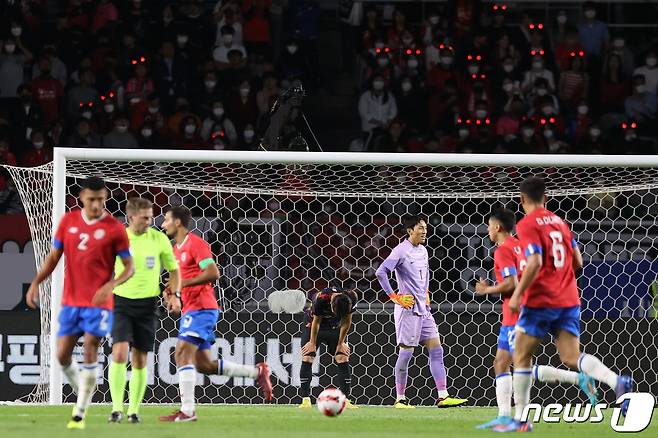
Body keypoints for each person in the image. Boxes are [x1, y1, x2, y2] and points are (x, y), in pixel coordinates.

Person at [494, 177, 633, 432]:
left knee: (522, 357)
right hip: (569, 298)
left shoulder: (527, 224)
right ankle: (617, 382)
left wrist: (517, 295)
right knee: (571, 356)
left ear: (522, 199)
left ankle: (522, 420)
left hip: (540, 300)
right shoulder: (561, 222)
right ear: (545, 198)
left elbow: (534, 262)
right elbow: (578, 262)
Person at [26, 177, 134, 429]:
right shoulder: (69, 221)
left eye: (101, 199)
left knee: (90, 347)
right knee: (61, 355)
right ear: (82, 197)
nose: (97, 204)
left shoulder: (114, 228)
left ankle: (80, 411)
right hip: (71, 302)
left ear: (105, 198)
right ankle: (85, 387)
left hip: (99, 302)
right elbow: (54, 257)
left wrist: (111, 285)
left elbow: (130, 267)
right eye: (91, 199)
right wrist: (36, 282)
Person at [475, 208, 596, 429]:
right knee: (506, 364)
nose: (488, 231)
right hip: (527, 308)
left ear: (498, 227)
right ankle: (511, 416)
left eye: (489, 226)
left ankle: (512, 417)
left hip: (516, 313)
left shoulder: (502, 251)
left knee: (515, 365)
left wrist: (487, 290)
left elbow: (512, 283)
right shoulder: (521, 245)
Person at [158, 206, 272, 422]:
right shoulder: (175, 251)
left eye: (166, 220)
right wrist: (171, 295)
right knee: (204, 365)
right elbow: (174, 282)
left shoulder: (196, 244)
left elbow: (213, 272)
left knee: (181, 352)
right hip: (189, 309)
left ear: (178, 223)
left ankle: (188, 411)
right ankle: (257, 372)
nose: (163, 225)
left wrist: (182, 283)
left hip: (203, 307)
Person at [375, 216, 467, 408]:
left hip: (423, 309)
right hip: (407, 309)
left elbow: (424, 274)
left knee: (437, 349)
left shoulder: (423, 250)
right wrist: (395, 297)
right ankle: (400, 399)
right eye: (420, 228)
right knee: (406, 354)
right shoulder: (401, 250)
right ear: (410, 230)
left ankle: (443, 396)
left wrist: (425, 292)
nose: (424, 231)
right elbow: (381, 272)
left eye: (425, 228)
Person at [108, 198, 181, 424]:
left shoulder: (159, 239)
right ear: (131, 217)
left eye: (151, 216)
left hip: (148, 305)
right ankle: (116, 408)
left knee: (139, 359)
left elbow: (173, 271)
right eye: (145, 217)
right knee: (119, 353)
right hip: (120, 302)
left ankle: (133, 411)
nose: (150, 221)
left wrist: (174, 294)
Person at [299, 286, 358, 409]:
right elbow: (317, 322)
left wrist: (341, 343)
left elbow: (347, 321)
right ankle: (305, 399)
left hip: (334, 326)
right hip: (313, 324)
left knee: (342, 356)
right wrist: (312, 343)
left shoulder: (352, 297)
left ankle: (345, 399)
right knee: (308, 356)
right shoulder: (321, 298)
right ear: (331, 303)